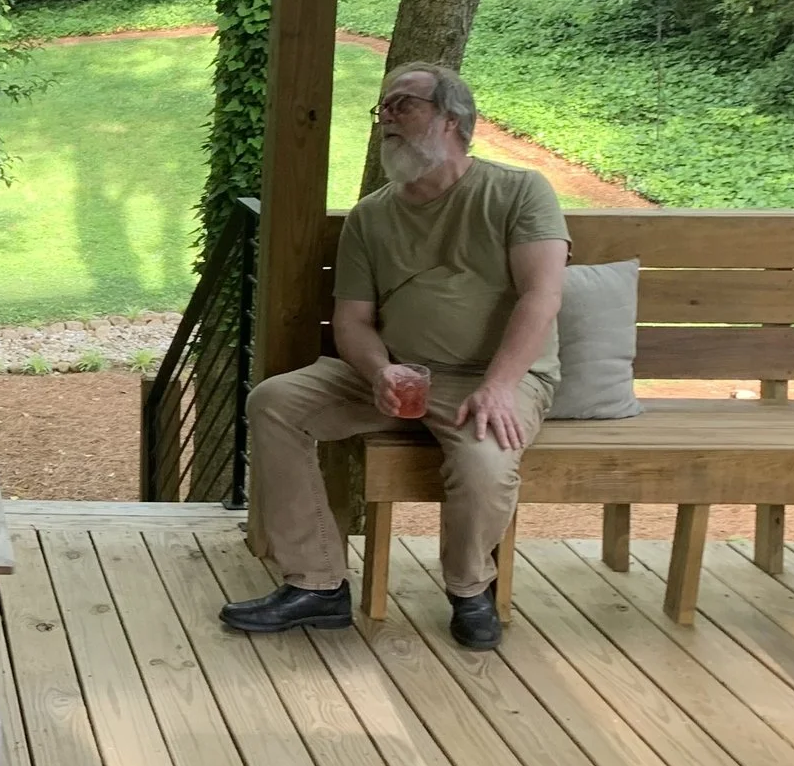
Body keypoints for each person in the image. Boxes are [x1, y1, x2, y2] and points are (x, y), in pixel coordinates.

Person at [223, 62, 567, 650]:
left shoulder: (517, 192)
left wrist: (501, 384)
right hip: (398, 374)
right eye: (382, 108)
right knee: (275, 401)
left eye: (403, 105)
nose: (385, 119)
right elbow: (354, 321)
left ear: (453, 119)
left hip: (493, 379)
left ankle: (468, 589)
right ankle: (317, 583)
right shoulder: (372, 216)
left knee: (486, 462)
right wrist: (381, 370)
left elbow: (542, 295)